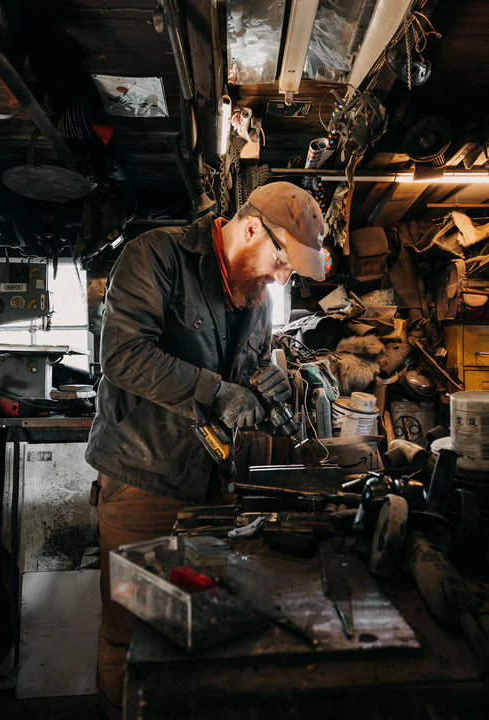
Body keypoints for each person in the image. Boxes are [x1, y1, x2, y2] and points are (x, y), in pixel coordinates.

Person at [85, 180, 326, 719]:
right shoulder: (157, 257)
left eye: (289, 273)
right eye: (281, 262)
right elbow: (122, 355)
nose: (281, 279)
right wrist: (215, 392)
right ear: (251, 229)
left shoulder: (255, 293)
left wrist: (262, 377)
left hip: (212, 483)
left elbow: (246, 364)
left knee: (197, 627)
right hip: (143, 476)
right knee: (132, 630)